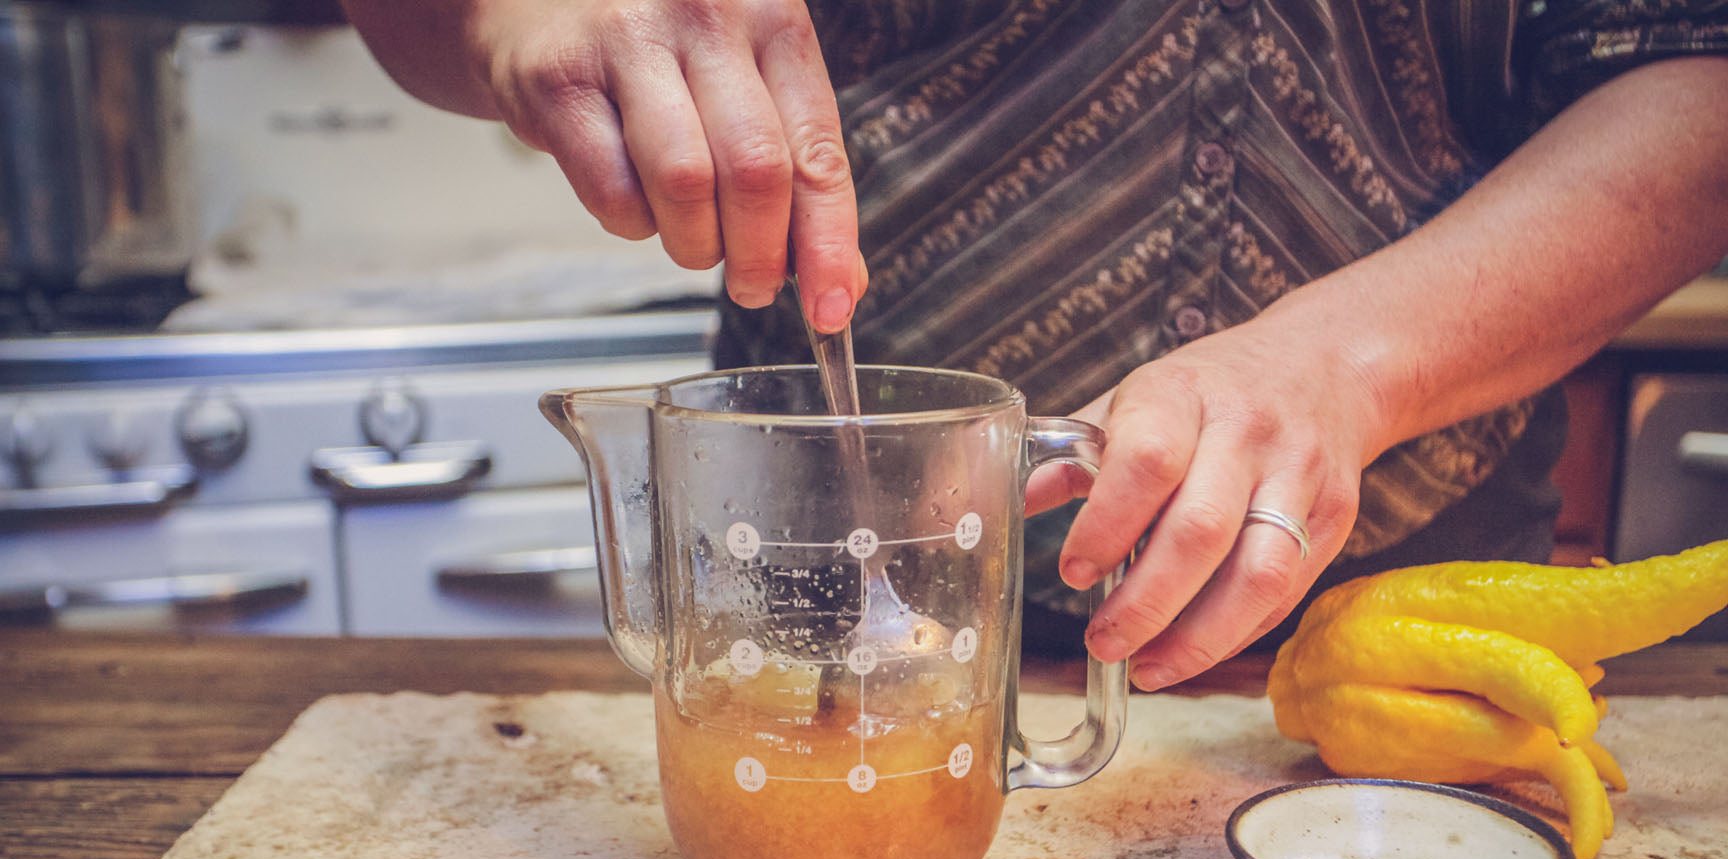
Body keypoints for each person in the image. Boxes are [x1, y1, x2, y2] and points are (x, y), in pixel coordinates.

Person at [339, 0, 1728, 689]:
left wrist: (1353, 365)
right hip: (825, 584)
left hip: (1397, 602)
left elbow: (1697, 66)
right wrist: (502, 13)